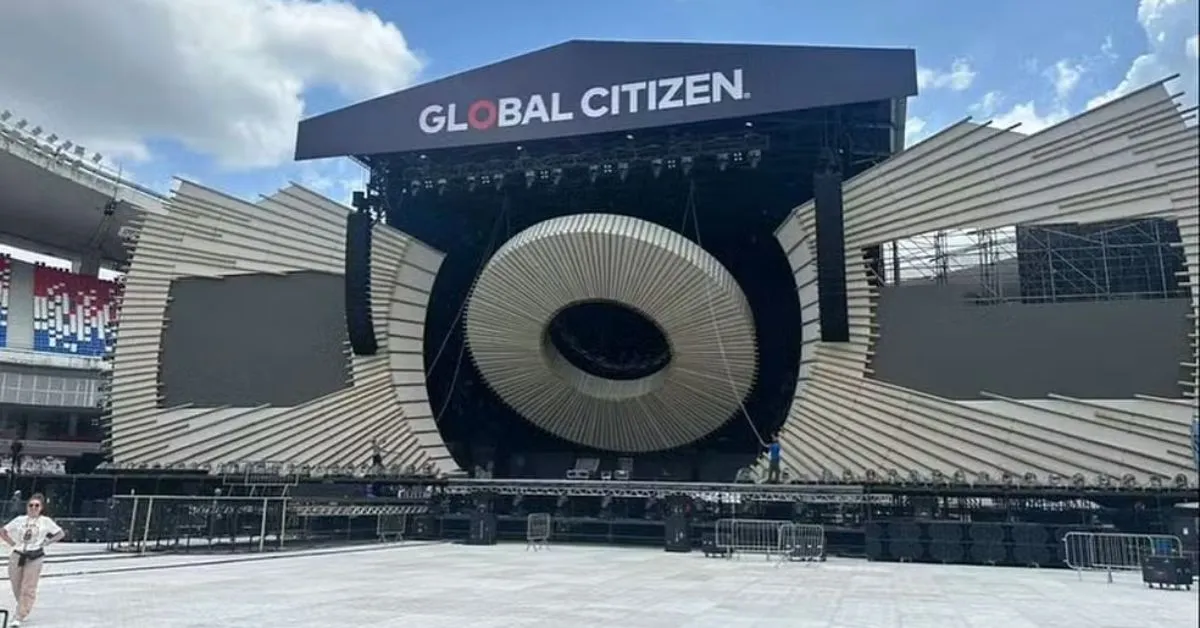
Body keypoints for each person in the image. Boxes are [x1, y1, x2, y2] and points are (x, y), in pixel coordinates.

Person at [1, 493, 65, 626]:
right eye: (31, 505)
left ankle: (19, 614)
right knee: (16, 584)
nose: (33, 508)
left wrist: (47, 542)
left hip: (34, 555)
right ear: (27, 506)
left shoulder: (45, 521)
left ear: (41, 508)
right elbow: (3, 530)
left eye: (37, 506)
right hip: (18, 554)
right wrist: (12, 543)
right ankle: (23, 606)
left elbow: (60, 533)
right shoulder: (20, 519)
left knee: (28, 586)